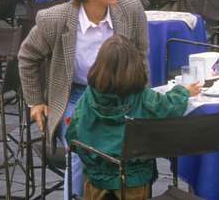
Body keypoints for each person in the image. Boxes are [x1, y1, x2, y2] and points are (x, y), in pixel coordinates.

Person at [18, 0, 149, 200]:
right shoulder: (55, 19)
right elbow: (28, 57)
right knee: (81, 152)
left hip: (122, 97)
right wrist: (36, 101)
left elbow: (141, 57)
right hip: (75, 98)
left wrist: (143, 101)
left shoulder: (131, 8)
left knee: (135, 150)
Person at [65, 35, 199, 200]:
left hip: (96, 177)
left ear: (99, 65)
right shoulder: (143, 96)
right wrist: (182, 91)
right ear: (135, 66)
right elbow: (169, 108)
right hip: (134, 178)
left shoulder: (87, 96)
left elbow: (72, 136)